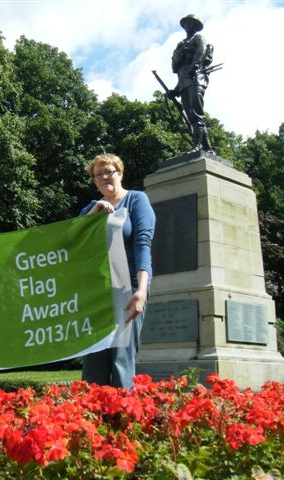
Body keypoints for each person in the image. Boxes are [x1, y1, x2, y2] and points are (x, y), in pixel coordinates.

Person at [80, 153, 155, 389]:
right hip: (96, 294)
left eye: (109, 171)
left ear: (120, 173)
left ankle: (125, 418)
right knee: (94, 361)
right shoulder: (89, 210)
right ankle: (90, 421)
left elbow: (143, 245)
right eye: (98, 174)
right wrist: (93, 217)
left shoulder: (136, 200)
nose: (104, 177)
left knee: (122, 359)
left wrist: (142, 290)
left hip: (127, 290)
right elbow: (73, 243)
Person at [170, 14, 214, 154]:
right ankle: (208, 149)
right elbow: (181, 71)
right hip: (184, 83)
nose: (188, 25)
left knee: (196, 114)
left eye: (191, 23)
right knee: (191, 116)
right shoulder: (181, 44)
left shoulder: (198, 38)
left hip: (196, 79)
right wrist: (175, 90)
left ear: (196, 26)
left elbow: (200, 52)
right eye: (186, 23)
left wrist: (195, 65)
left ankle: (198, 146)